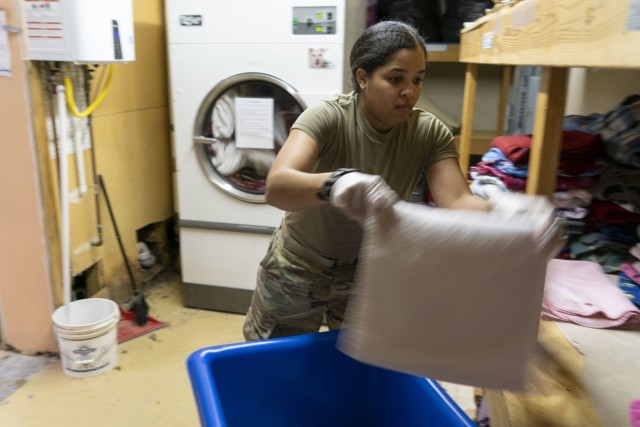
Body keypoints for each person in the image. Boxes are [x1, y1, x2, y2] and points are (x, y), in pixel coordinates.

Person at [242, 20, 491, 341]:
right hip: (298, 266)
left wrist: (500, 212)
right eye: (395, 78)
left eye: (418, 80)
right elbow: (277, 188)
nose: (409, 91)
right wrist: (335, 184)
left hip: (368, 271)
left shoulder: (429, 132)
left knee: (360, 369)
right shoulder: (328, 118)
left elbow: (456, 202)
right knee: (273, 365)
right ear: (362, 77)